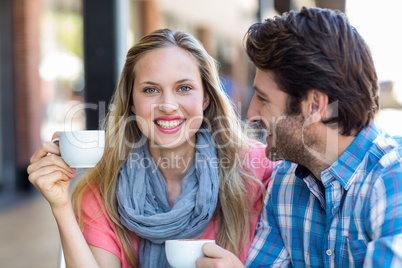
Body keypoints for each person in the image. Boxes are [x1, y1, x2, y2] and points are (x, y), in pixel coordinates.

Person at [27, 29, 276, 267]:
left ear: (205, 98)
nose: (167, 105)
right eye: (151, 89)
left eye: (184, 88)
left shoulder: (257, 170)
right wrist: (60, 207)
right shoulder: (103, 190)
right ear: (132, 103)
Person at [197, 6, 402, 268]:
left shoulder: (392, 180)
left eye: (263, 98)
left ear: (315, 105)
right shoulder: (284, 183)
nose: (251, 113)